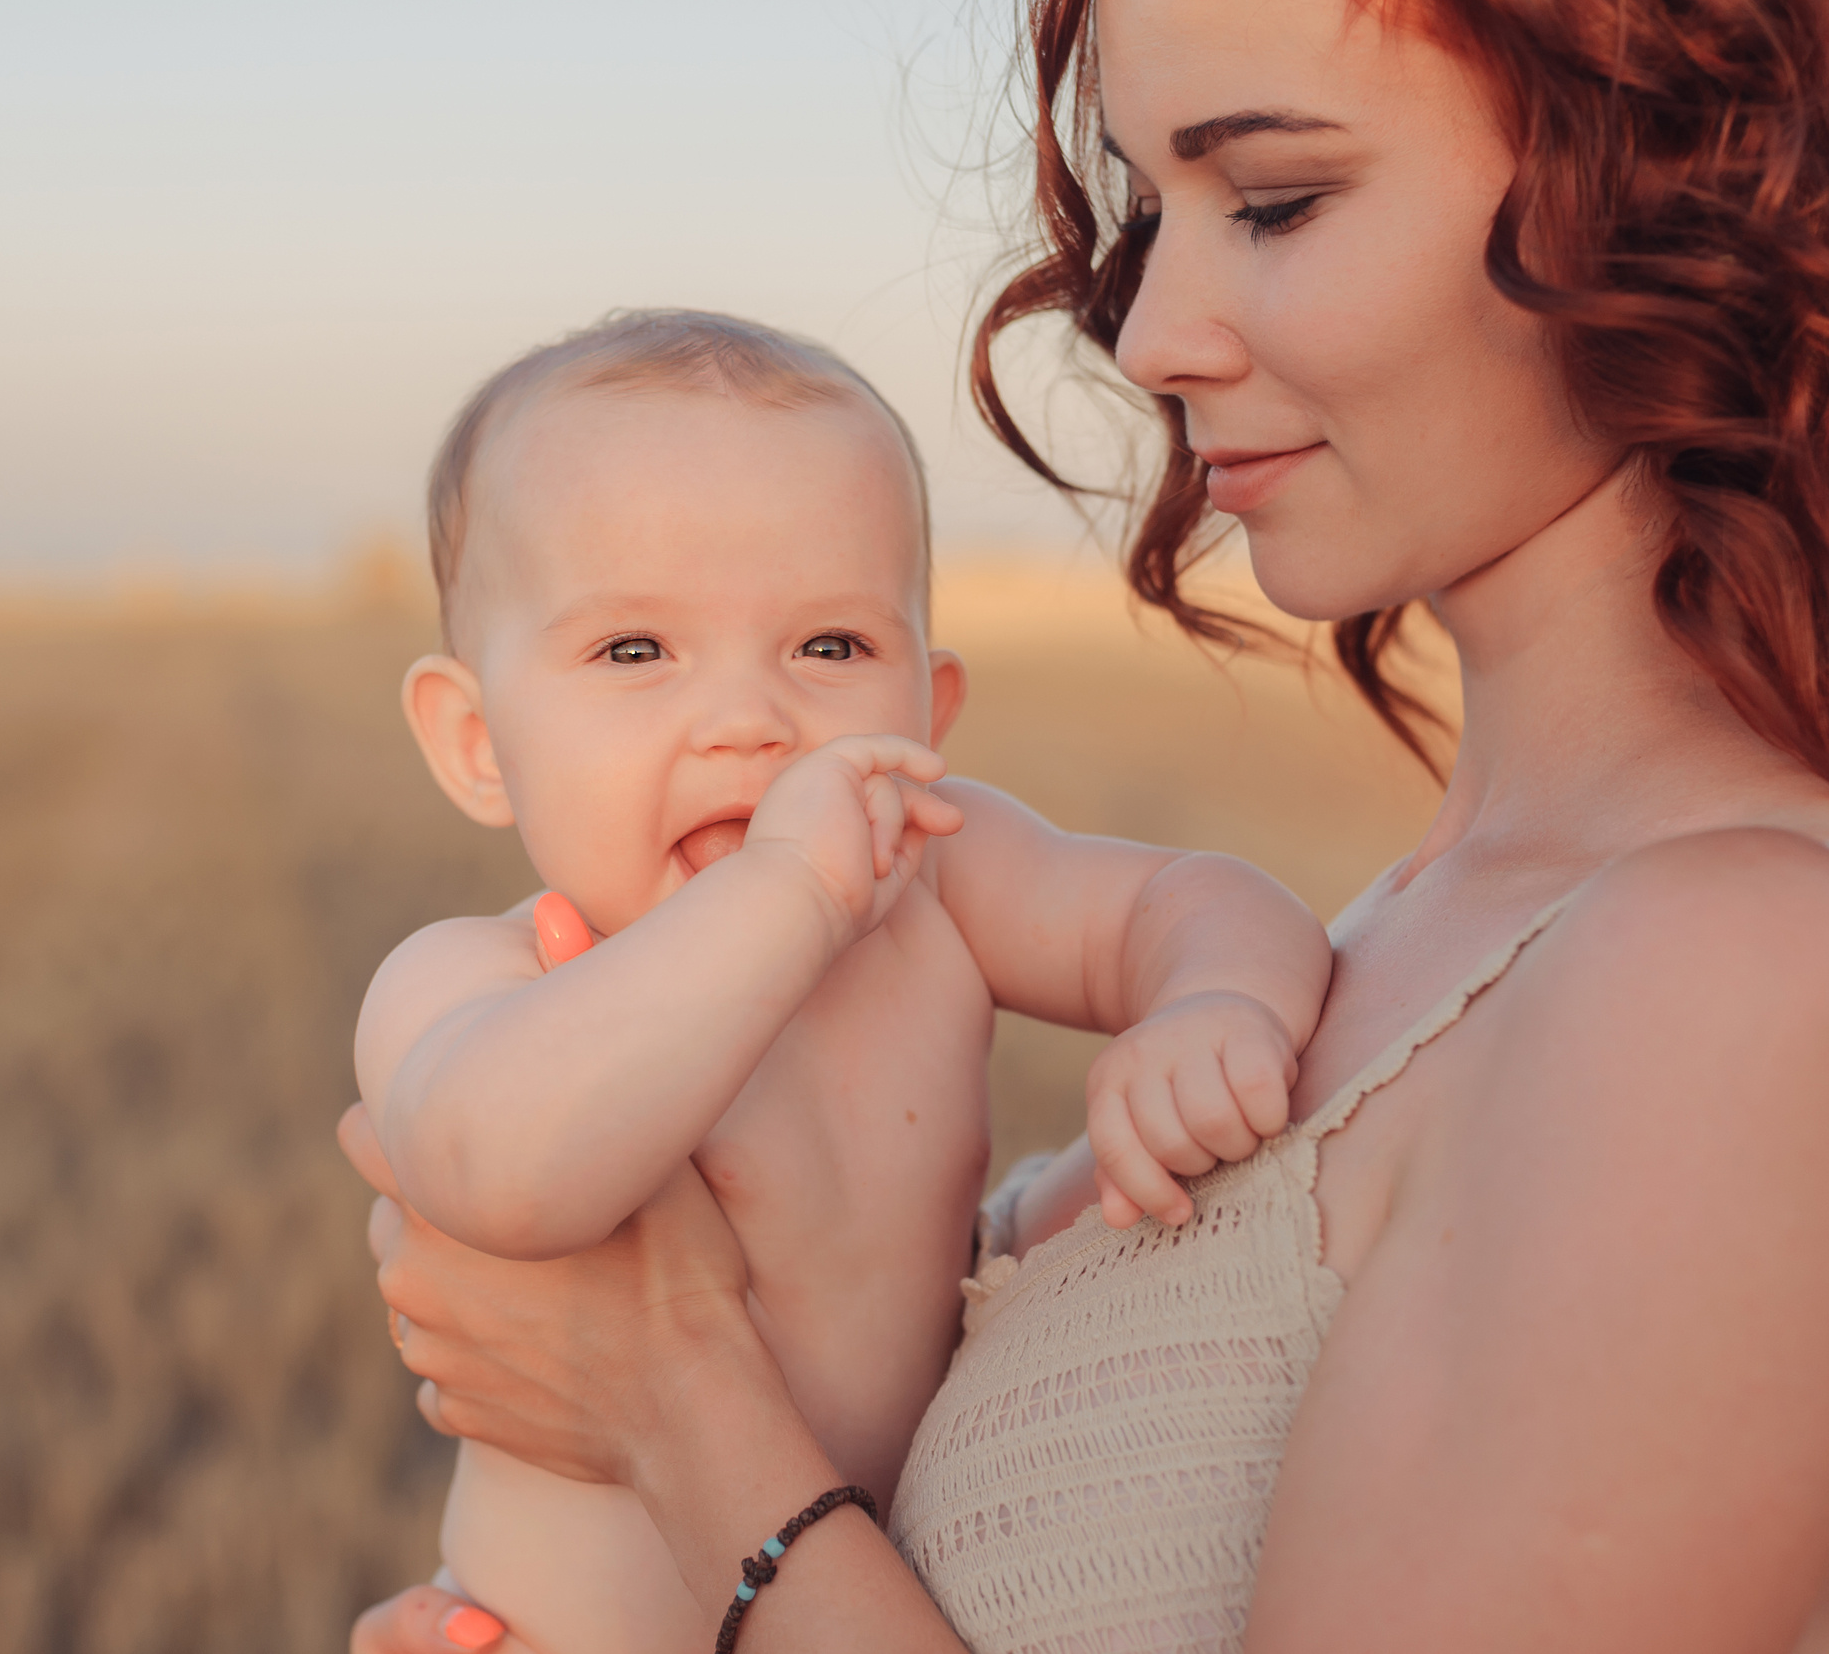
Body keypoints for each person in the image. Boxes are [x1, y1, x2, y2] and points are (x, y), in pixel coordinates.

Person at [344, 0, 1829, 1647]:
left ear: (1681, 174)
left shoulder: (1746, 986)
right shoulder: (1441, 921)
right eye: (1146, 207)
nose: (1143, 334)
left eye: (1275, 200)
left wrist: (670, 1402)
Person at [361, 307, 1332, 1654]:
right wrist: (788, 898)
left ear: (928, 715)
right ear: (477, 741)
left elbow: (1192, 900)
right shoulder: (478, 979)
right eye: (635, 651)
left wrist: (1219, 1004)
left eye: (830, 648)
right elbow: (505, 1178)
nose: (750, 721)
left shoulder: (934, 883)